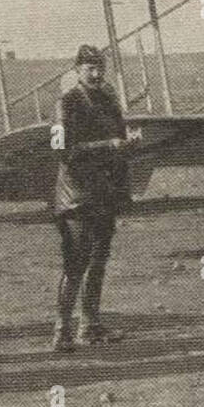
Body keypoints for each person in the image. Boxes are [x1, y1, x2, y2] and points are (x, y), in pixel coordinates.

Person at [51, 45, 138, 351]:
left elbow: (117, 143)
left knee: (98, 261)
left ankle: (90, 325)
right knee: (76, 263)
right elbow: (63, 151)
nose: (97, 73)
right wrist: (108, 145)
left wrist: (128, 144)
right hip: (76, 196)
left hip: (103, 194)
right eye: (90, 68)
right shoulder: (66, 103)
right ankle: (62, 329)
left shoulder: (108, 100)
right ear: (77, 71)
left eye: (100, 67)